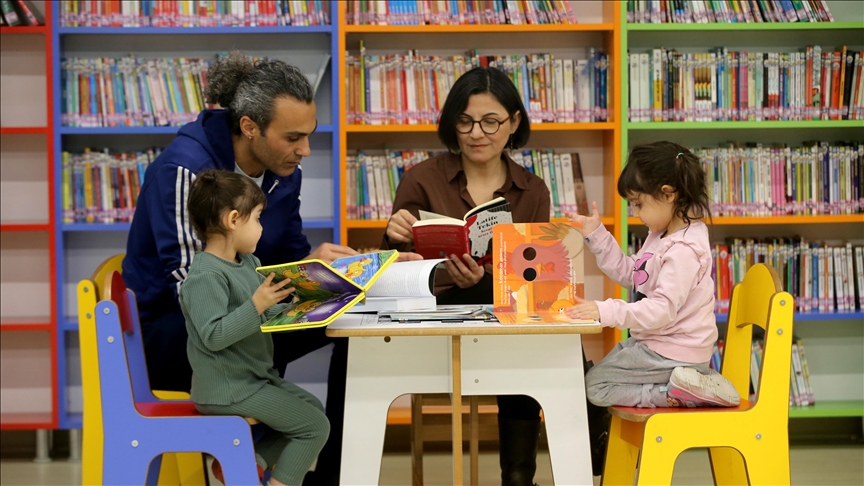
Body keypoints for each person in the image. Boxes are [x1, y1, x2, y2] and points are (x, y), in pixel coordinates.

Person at [122, 51, 354, 485]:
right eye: (292, 137)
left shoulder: (283, 170)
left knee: (349, 325)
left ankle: (285, 460)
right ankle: (256, 448)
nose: (304, 150)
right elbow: (192, 289)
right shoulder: (186, 169)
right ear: (250, 127)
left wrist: (321, 273)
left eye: (308, 136)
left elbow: (287, 253)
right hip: (179, 332)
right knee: (308, 340)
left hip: (245, 315)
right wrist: (268, 298)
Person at [382, 66, 556, 486]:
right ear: (452, 124)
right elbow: (391, 271)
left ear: (513, 122)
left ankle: (518, 476)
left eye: (490, 121)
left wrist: (487, 280)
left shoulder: (533, 190)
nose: (477, 133)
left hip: (502, 322)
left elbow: (534, 282)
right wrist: (394, 236)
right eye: (465, 121)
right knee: (521, 336)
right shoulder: (422, 179)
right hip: (433, 319)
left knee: (531, 332)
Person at [180, 170, 329, 486]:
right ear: (233, 220)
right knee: (315, 427)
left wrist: (303, 308)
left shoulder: (248, 262)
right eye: (258, 218)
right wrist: (257, 305)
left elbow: (264, 314)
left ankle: (247, 465)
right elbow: (214, 336)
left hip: (253, 380)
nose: (262, 228)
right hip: (227, 389)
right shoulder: (204, 277)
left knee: (313, 409)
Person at [566, 141, 741, 410]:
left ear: (668, 194)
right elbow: (632, 274)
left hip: (674, 352)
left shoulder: (683, 250)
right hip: (657, 344)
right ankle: (681, 387)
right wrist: (597, 235)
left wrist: (605, 311)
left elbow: (661, 310)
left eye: (638, 204)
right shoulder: (662, 235)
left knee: (596, 386)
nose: (636, 214)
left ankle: (673, 393)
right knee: (595, 375)